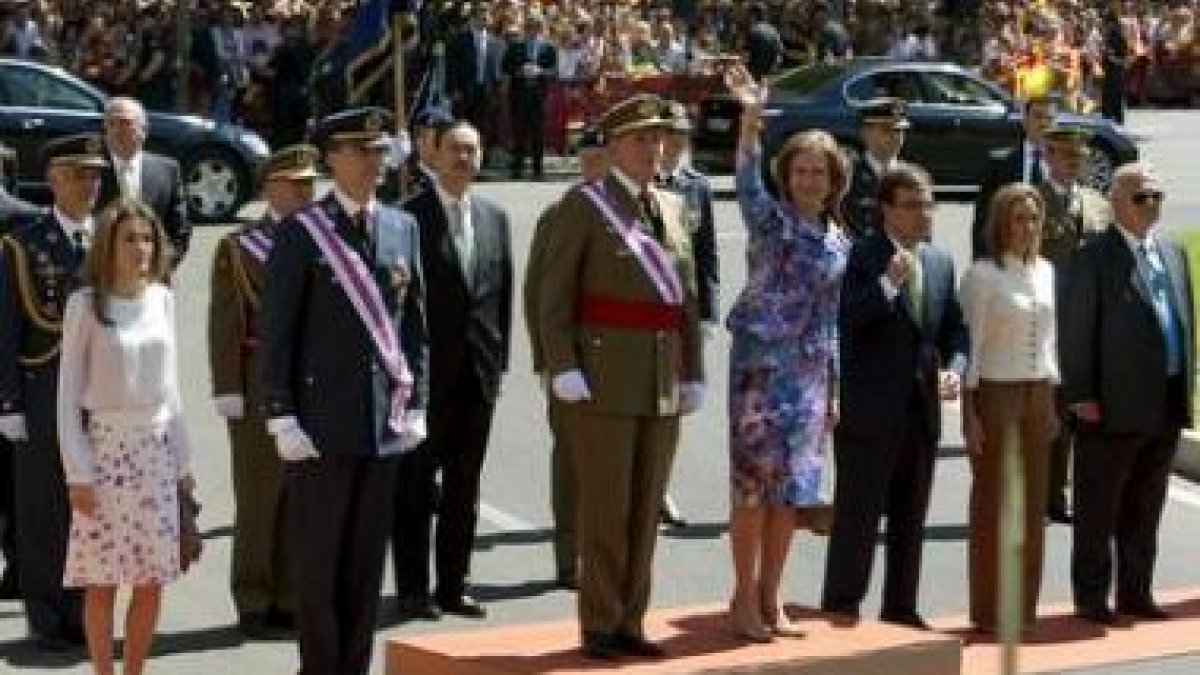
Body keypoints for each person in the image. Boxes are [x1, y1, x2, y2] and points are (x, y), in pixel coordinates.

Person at [257, 107, 429, 675]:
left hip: (383, 425)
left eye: (380, 151)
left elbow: (414, 330)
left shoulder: (404, 227)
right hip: (318, 427)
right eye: (361, 151)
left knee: (363, 568)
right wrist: (280, 414)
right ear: (332, 158)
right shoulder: (303, 233)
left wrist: (417, 400)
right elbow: (276, 332)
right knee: (319, 568)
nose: (374, 163)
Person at [536, 93, 703, 660]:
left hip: (660, 378)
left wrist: (693, 370)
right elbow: (553, 296)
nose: (653, 148)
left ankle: (632, 619)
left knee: (646, 507)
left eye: (659, 138)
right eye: (640, 139)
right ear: (612, 147)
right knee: (606, 509)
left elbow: (686, 297)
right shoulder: (583, 206)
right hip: (601, 376)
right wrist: (562, 366)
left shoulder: (675, 208)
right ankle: (601, 622)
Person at [723, 64, 850, 642]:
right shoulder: (769, 220)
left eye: (818, 172)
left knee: (792, 495)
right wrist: (750, 120)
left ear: (834, 180)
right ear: (787, 175)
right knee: (753, 491)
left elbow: (832, 320)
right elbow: (746, 179)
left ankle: (773, 598)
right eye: (799, 170)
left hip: (810, 377)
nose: (808, 180)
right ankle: (742, 599)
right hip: (760, 372)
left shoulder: (839, 241)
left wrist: (835, 390)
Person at [821, 162, 968, 630]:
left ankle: (901, 608)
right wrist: (887, 284)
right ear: (886, 210)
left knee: (911, 518)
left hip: (921, 413)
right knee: (858, 520)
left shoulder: (941, 261)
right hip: (870, 412)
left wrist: (955, 369)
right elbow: (847, 321)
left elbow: (955, 331)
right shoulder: (860, 256)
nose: (923, 214)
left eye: (928, 204)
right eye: (912, 205)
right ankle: (842, 608)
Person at [57, 198, 193, 675]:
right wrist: (78, 472)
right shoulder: (85, 305)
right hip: (105, 455)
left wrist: (184, 463)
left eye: (147, 238)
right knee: (102, 582)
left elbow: (172, 386)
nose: (140, 247)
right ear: (108, 246)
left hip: (154, 453)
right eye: (129, 238)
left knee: (151, 580)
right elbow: (67, 396)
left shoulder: (163, 298)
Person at [1061, 163, 1193, 625]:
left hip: (1165, 401)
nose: (1151, 204)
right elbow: (1076, 331)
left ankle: (1136, 593)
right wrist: (1080, 394)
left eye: (1157, 195)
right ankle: (1092, 599)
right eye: (1141, 197)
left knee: (1146, 504)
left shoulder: (1173, 252)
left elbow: (1183, 324)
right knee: (1099, 507)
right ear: (1116, 201)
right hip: (1110, 405)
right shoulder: (1093, 256)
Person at [393, 120, 513, 621]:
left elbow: (500, 295)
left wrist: (499, 361)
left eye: (473, 149)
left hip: (477, 376)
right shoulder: (406, 219)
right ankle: (414, 588)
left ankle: (453, 584)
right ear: (434, 155)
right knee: (416, 486)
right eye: (456, 150)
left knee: (465, 486)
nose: (464, 159)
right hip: (424, 377)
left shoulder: (495, 217)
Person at [0, 133, 109, 652]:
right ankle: (47, 618)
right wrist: (9, 403)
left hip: (102, 393)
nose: (89, 184)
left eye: (94, 174)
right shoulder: (23, 244)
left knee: (97, 510)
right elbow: (6, 329)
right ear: (52, 180)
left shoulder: (113, 238)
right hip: (43, 388)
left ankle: (87, 614)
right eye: (77, 174)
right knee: (45, 511)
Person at [208, 144, 319, 639]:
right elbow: (226, 323)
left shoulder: (325, 238)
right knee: (259, 494)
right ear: (270, 188)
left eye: (309, 183)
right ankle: (252, 595)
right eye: (294, 183)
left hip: (311, 383)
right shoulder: (240, 247)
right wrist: (227, 387)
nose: (304, 191)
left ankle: (290, 596)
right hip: (256, 381)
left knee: (300, 495)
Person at [959, 183, 1059, 634]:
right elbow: (971, 349)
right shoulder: (983, 275)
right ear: (1000, 223)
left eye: (1034, 217)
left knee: (1033, 506)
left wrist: (1052, 400)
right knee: (994, 506)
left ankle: (1022, 610)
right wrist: (969, 413)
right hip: (996, 396)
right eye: (1019, 217)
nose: (1027, 226)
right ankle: (988, 609)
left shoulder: (1047, 271)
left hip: (1039, 394)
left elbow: (1051, 342)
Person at [524, 127, 609, 592]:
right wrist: (548, 361)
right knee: (572, 462)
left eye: (603, 157)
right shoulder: (557, 215)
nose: (596, 165)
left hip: (621, 360)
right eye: (589, 157)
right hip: (572, 358)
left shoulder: (635, 209)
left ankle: (608, 556)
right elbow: (539, 293)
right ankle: (567, 557)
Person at [1034, 124, 1110, 526]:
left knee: (1091, 416)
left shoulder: (1098, 204)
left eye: (1078, 156)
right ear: (1048, 157)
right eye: (1064, 155)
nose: (1072, 163)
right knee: (1056, 416)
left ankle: (1082, 496)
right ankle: (1049, 495)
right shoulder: (1036, 202)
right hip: (1054, 323)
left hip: (1094, 325)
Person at [657, 100, 719, 528]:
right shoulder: (629, 182)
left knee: (676, 401)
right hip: (640, 310)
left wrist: (708, 313)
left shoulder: (696, 187)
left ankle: (661, 485)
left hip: (682, 309)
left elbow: (706, 253)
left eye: (681, 138)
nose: (673, 146)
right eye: (667, 137)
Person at [98, 97, 190, 267]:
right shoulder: (93, 172)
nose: (117, 130)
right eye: (111, 124)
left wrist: (158, 267)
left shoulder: (167, 170)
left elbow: (179, 230)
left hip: (154, 275)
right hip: (104, 276)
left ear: (144, 129)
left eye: (125, 123)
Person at [972, 96, 1058, 259]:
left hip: (1048, 259)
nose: (1043, 123)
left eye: (1049, 118)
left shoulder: (1061, 165)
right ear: (1025, 120)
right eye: (1038, 116)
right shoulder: (999, 163)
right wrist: (981, 260)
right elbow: (983, 219)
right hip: (1007, 254)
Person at [844, 98, 910, 240]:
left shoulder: (912, 177)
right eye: (886, 130)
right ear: (865, 132)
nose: (895, 136)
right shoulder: (848, 176)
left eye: (900, 130)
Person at [502, 14, 557, 180]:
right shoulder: (515, 46)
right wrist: (520, 71)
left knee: (538, 132)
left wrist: (540, 71)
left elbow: (554, 72)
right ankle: (517, 167)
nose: (533, 29)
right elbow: (505, 67)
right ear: (526, 28)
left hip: (539, 95)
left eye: (536, 26)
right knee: (519, 131)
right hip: (519, 93)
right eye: (530, 26)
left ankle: (537, 168)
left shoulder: (549, 48)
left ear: (541, 28)